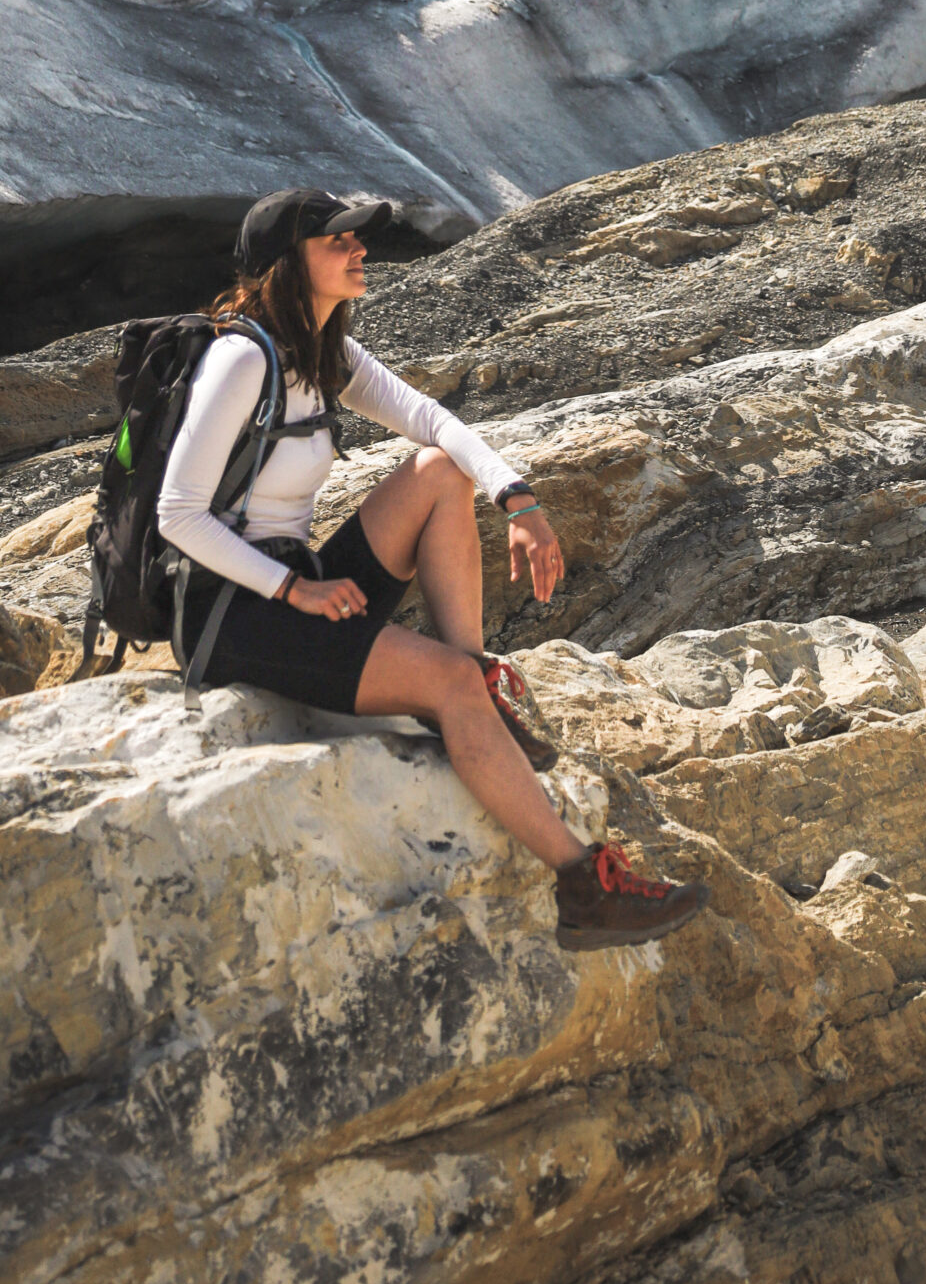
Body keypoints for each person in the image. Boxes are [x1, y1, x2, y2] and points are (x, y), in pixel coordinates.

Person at [157, 186, 709, 953]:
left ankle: (475, 677)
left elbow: (434, 423)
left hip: (297, 581)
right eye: (336, 243)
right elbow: (175, 515)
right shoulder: (240, 358)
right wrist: (295, 589)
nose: (358, 251)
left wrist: (516, 498)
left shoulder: (319, 350)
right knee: (442, 688)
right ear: (287, 264)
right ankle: (583, 887)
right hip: (232, 611)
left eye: (357, 239)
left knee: (439, 471)